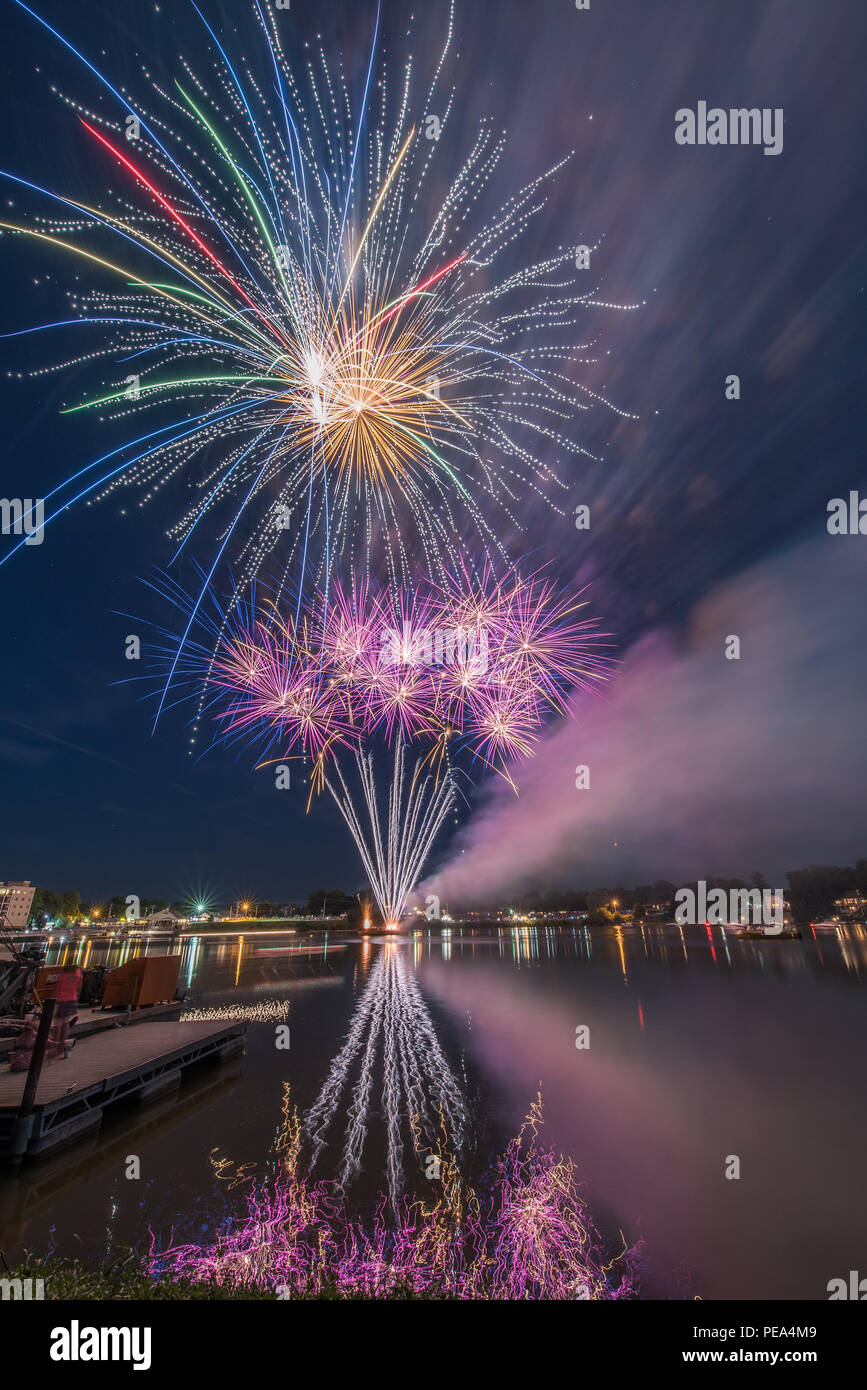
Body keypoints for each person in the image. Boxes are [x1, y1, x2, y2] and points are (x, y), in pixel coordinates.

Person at [45, 964, 83, 1059]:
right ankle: (61, 1047)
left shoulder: (63, 976)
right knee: (65, 1023)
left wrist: (51, 1000)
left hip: (62, 1001)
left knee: (57, 1024)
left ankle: (54, 1048)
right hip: (72, 1000)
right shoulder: (78, 975)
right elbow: (78, 989)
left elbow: (57, 989)